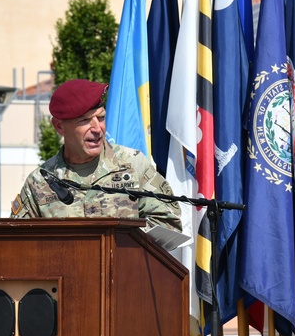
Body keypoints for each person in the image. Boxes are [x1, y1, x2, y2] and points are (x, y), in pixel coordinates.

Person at [11, 79, 182, 234]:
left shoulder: (133, 164)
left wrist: (121, 246)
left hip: (125, 267)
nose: (97, 128)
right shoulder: (40, 182)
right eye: (85, 121)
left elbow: (168, 223)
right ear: (59, 127)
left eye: (101, 118)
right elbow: (17, 241)